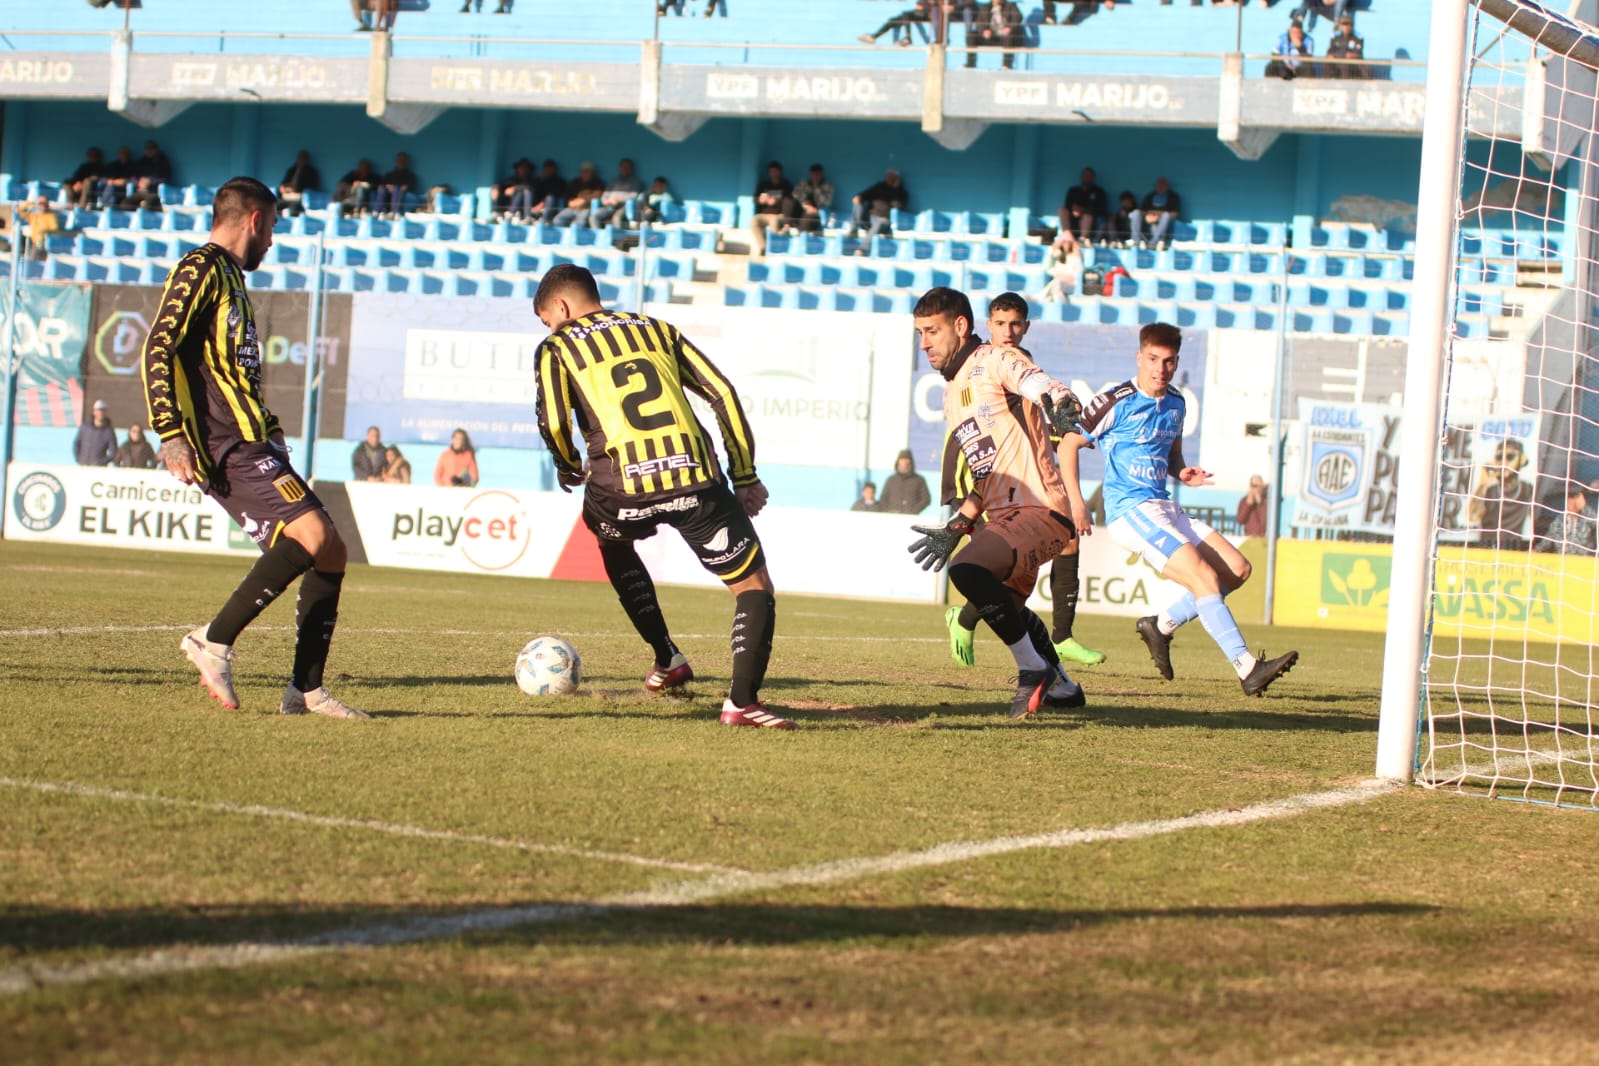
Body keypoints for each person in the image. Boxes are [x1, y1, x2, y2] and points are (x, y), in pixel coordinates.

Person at [141, 175, 366, 719]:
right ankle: (213, 641)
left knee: (331, 547)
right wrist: (170, 433)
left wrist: (266, 422)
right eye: (272, 229)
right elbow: (158, 346)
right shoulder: (200, 267)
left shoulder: (231, 279)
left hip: (251, 438)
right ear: (255, 219)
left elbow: (225, 371)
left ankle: (305, 691)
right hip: (223, 443)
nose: (271, 242)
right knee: (311, 534)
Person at [534, 263, 793, 729]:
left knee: (611, 541)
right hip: (694, 479)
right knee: (754, 587)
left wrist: (567, 463)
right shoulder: (658, 330)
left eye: (547, 319)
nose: (549, 328)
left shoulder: (557, 346)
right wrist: (745, 475)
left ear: (562, 307)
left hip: (619, 488)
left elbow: (554, 420)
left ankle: (667, 657)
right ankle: (741, 703)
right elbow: (723, 394)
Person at [1059, 323, 1297, 696]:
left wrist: (1183, 471)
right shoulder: (1116, 399)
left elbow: (1171, 457)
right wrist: (1076, 502)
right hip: (1130, 510)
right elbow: (1068, 445)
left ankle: (1161, 626)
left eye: (1168, 361)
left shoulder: (1176, 403)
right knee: (1203, 576)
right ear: (1140, 357)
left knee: (1236, 569)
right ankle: (1247, 667)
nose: (1160, 369)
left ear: (1176, 362)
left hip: (1164, 506)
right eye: (1153, 359)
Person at [907, 286, 1086, 718]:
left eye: (931, 331)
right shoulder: (952, 392)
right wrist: (961, 523)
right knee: (1008, 605)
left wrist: (1060, 401)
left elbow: (1038, 382)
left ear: (961, 326)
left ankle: (1032, 671)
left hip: (1040, 508)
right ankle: (1064, 687)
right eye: (919, 333)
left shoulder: (995, 359)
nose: (924, 343)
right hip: (1007, 514)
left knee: (969, 571)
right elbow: (987, 473)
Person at [941, 293, 1106, 671]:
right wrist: (964, 504)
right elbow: (977, 439)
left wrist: (1059, 403)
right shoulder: (984, 368)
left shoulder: (1018, 364)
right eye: (1000, 324)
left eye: (1015, 324)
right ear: (986, 326)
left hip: (1022, 488)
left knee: (1015, 587)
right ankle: (1035, 660)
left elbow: (1039, 397)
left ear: (1026, 327)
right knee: (990, 578)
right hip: (986, 488)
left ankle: (1057, 671)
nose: (1008, 331)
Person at [1469, 438, 1535, 551]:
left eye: (1510, 457)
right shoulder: (1490, 491)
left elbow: (1536, 520)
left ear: (1522, 459)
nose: (1503, 463)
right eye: (1499, 458)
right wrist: (1482, 485)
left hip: (1514, 549)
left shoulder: (1528, 490)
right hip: (1487, 548)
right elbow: (1473, 517)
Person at [847, 167, 910, 241]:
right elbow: (862, 196)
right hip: (869, 218)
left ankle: (862, 249)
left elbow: (897, 205)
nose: (889, 178)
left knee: (879, 222)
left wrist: (895, 189)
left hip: (883, 221)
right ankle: (853, 230)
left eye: (892, 176)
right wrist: (859, 198)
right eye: (888, 176)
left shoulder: (901, 192)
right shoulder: (879, 187)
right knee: (858, 205)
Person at [749, 160, 794, 256]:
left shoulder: (786, 185)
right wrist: (760, 200)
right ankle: (763, 247)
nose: (773, 174)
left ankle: (774, 249)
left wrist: (775, 201)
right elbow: (755, 199)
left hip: (778, 215)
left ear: (780, 172)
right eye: (771, 171)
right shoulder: (764, 185)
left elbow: (789, 200)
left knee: (774, 223)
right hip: (764, 214)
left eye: (776, 171)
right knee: (754, 221)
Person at [964, 1, 1024, 70]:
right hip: (990, 37)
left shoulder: (1010, 6)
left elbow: (1018, 17)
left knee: (1008, 36)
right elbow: (979, 22)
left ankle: (1006, 65)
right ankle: (970, 63)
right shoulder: (985, 7)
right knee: (971, 35)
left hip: (1005, 37)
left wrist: (1009, 28)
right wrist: (984, 31)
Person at [1060, 167, 1110, 245]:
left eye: (1089, 176)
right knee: (1062, 210)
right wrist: (1074, 210)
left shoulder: (1099, 192)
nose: (1087, 177)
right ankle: (1067, 233)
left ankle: (1083, 239)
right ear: (1081, 176)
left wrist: (1083, 210)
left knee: (1088, 215)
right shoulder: (1073, 190)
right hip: (1073, 221)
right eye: (1085, 175)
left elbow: (1101, 210)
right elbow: (1067, 205)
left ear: (1093, 178)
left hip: (1090, 223)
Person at [589, 157, 642, 228]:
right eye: (623, 166)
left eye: (627, 167)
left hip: (624, 206)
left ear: (631, 168)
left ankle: (618, 239)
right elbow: (604, 197)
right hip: (610, 206)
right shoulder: (612, 181)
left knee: (616, 218)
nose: (625, 169)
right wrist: (608, 201)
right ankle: (598, 237)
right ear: (620, 168)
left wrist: (618, 200)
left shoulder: (635, 182)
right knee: (593, 217)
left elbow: (634, 196)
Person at [1130, 177, 1181, 250]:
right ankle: (1136, 241)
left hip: (1164, 221)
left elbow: (1175, 214)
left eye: (1163, 185)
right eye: (1159, 185)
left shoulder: (1173, 197)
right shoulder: (1150, 196)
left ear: (1167, 186)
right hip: (1149, 219)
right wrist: (1148, 216)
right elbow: (1142, 211)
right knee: (1135, 213)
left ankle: (1154, 243)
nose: (1161, 187)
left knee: (1166, 215)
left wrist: (1159, 216)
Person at [120, 140, 172, 211]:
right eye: (147, 148)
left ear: (156, 150)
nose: (149, 150)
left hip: (153, 192)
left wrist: (150, 182)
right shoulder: (142, 161)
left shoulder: (162, 162)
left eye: (152, 148)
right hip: (140, 191)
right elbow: (134, 177)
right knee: (125, 204)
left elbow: (165, 179)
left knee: (148, 205)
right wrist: (139, 182)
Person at [858, 0, 935, 46]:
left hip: (927, 14)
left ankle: (908, 39)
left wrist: (924, 6)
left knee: (906, 15)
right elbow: (918, 5)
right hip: (919, 12)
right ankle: (874, 36)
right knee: (893, 20)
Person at [552, 161, 605, 227]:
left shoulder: (598, 183)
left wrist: (583, 200)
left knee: (580, 223)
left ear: (593, 172)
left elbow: (597, 195)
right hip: (572, 208)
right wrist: (571, 202)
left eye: (587, 171)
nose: (585, 173)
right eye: (583, 171)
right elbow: (567, 195)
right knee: (557, 220)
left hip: (586, 209)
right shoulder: (575, 182)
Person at [786, 163, 834, 235]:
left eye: (818, 174)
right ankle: (786, 225)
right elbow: (795, 194)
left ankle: (801, 235)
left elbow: (827, 202)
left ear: (821, 174)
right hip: (804, 208)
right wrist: (805, 204)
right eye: (813, 174)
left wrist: (817, 187)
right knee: (788, 200)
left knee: (808, 216)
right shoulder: (804, 184)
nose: (815, 176)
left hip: (816, 212)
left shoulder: (828, 186)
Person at [879, 448, 931, 514]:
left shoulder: (919, 480)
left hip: (911, 518)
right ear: (898, 461)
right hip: (892, 517)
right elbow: (883, 500)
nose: (904, 462)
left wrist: (913, 511)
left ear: (910, 461)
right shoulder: (891, 480)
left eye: (906, 459)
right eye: (902, 459)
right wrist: (888, 511)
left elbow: (926, 499)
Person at [1037, 230, 1083, 303]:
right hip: (1057, 284)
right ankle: (1062, 304)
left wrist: (1078, 255)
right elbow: (1046, 267)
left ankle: (1039, 298)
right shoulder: (1058, 255)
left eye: (1068, 242)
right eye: (1064, 242)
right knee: (1056, 288)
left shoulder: (1075, 256)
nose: (1066, 244)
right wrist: (1053, 249)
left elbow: (1080, 271)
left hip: (1071, 285)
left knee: (1056, 283)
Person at [276, 150, 322, 217]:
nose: (301, 160)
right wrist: (287, 188)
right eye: (300, 158)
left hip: (299, 198)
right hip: (286, 196)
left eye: (303, 158)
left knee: (295, 207)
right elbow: (283, 185)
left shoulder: (312, 172)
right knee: (275, 205)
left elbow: (311, 187)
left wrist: (296, 188)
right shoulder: (292, 170)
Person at [373, 152, 419, 218]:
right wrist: (388, 187)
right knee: (382, 190)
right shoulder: (390, 174)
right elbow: (382, 185)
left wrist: (395, 188)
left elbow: (407, 187)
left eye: (403, 160)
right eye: (399, 160)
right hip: (387, 193)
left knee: (396, 189)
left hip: (400, 193)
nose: (401, 162)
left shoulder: (410, 175)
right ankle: (377, 211)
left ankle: (393, 212)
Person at [73, 400, 117, 466]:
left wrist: (101, 462)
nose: (100, 413)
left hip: (98, 469)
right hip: (83, 466)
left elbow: (113, 451)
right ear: (94, 411)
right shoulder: (85, 428)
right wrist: (79, 459)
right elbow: (76, 444)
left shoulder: (109, 431)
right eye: (98, 410)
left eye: (102, 411)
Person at [1323, 13, 1366, 79]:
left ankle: (1346, 86)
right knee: (1327, 63)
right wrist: (1330, 56)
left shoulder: (1358, 37)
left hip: (1352, 65)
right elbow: (1329, 51)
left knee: (1346, 64)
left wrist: (1352, 56)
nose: (1346, 27)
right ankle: (1327, 84)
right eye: (1344, 24)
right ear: (1340, 26)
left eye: (1348, 25)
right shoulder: (1335, 36)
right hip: (1337, 61)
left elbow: (1358, 53)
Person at [20, 196, 60, 261]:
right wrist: (32, 202)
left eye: (44, 204)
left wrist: (45, 231)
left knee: (35, 254)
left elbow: (55, 228)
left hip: (43, 243)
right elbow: (21, 210)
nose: (42, 206)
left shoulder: (51, 216)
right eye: (40, 203)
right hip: (33, 241)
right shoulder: (34, 216)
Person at [529, 159, 567, 225]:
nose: (549, 170)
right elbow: (533, 190)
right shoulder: (539, 180)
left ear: (555, 169)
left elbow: (555, 194)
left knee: (550, 198)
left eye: (551, 168)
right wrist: (540, 179)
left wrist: (542, 204)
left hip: (551, 206)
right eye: (547, 168)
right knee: (527, 192)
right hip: (536, 205)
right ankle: (528, 218)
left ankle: (544, 220)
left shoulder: (559, 181)